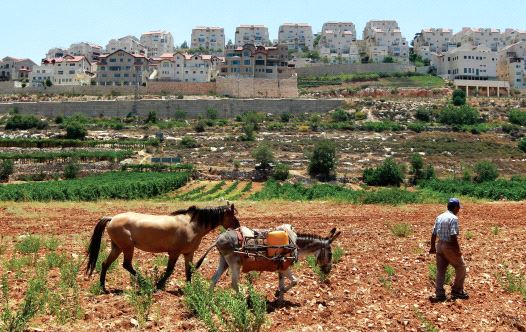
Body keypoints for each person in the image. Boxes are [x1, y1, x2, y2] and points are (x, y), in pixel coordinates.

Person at [429, 198, 469, 302]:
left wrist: (432, 247)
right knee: (461, 266)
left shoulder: (439, 217)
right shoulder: (453, 218)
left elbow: (433, 233)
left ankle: (439, 294)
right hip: (449, 245)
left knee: (441, 270)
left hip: (440, 245)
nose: (459, 210)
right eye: (458, 207)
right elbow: (453, 236)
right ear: (455, 207)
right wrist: (457, 250)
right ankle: (457, 290)